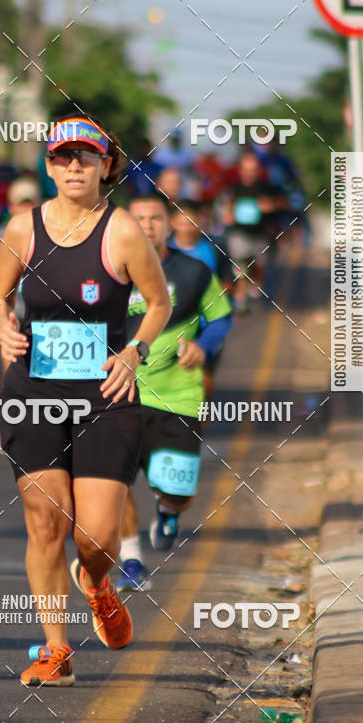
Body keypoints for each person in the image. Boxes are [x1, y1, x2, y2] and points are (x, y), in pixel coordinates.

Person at [0, 114, 171, 687]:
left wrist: (134, 352)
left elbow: (159, 302)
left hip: (104, 397)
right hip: (34, 392)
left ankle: (96, 582)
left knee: (95, 538)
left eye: (86, 157)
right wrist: (2, 329)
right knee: (45, 520)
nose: (74, 165)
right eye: (63, 156)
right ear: (49, 166)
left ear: (105, 167)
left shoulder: (121, 231)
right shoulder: (23, 229)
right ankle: (56, 649)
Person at [116, 194, 232, 592]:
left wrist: (203, 346)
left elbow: (220, 318)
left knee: (178, 490)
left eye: (155, 218)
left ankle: (168, 509)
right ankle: (131, 559)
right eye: (138, 218)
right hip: (116, 394)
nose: (147, 225)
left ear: (169, 225)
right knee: (113, 484)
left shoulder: (195, 272)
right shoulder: (108, 272)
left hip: (177, 396)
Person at [168, 198, 234, 399]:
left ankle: (201, 419)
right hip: (174, 324)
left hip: (208, 324)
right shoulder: (163, 250)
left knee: (204, 374)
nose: (187, 228)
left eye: (191, 222)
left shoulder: (215, 248)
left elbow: (228, 283)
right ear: (172, 223)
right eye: (182, 222)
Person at [0, 177, 40, 383]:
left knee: (43, 375)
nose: (25, 208)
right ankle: (9, 411)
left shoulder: (51, 234)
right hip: (13, 313)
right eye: (21, 203)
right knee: (11, 371)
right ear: (11, 207)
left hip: (43, 315)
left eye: (30, 203)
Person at [223, 149, 286, 313]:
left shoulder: (267, 188)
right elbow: (228, 206)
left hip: (260, 234)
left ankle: (255, 285)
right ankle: (240, 300)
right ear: (241, 170)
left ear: (258, 170)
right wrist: (228, 215)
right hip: (239, 234)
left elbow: (282, 202)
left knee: (258, 265)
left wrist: (270, 206)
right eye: (246, 169)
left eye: (253, 170)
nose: (249, 173)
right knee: (241, 266)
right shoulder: (234, 188)